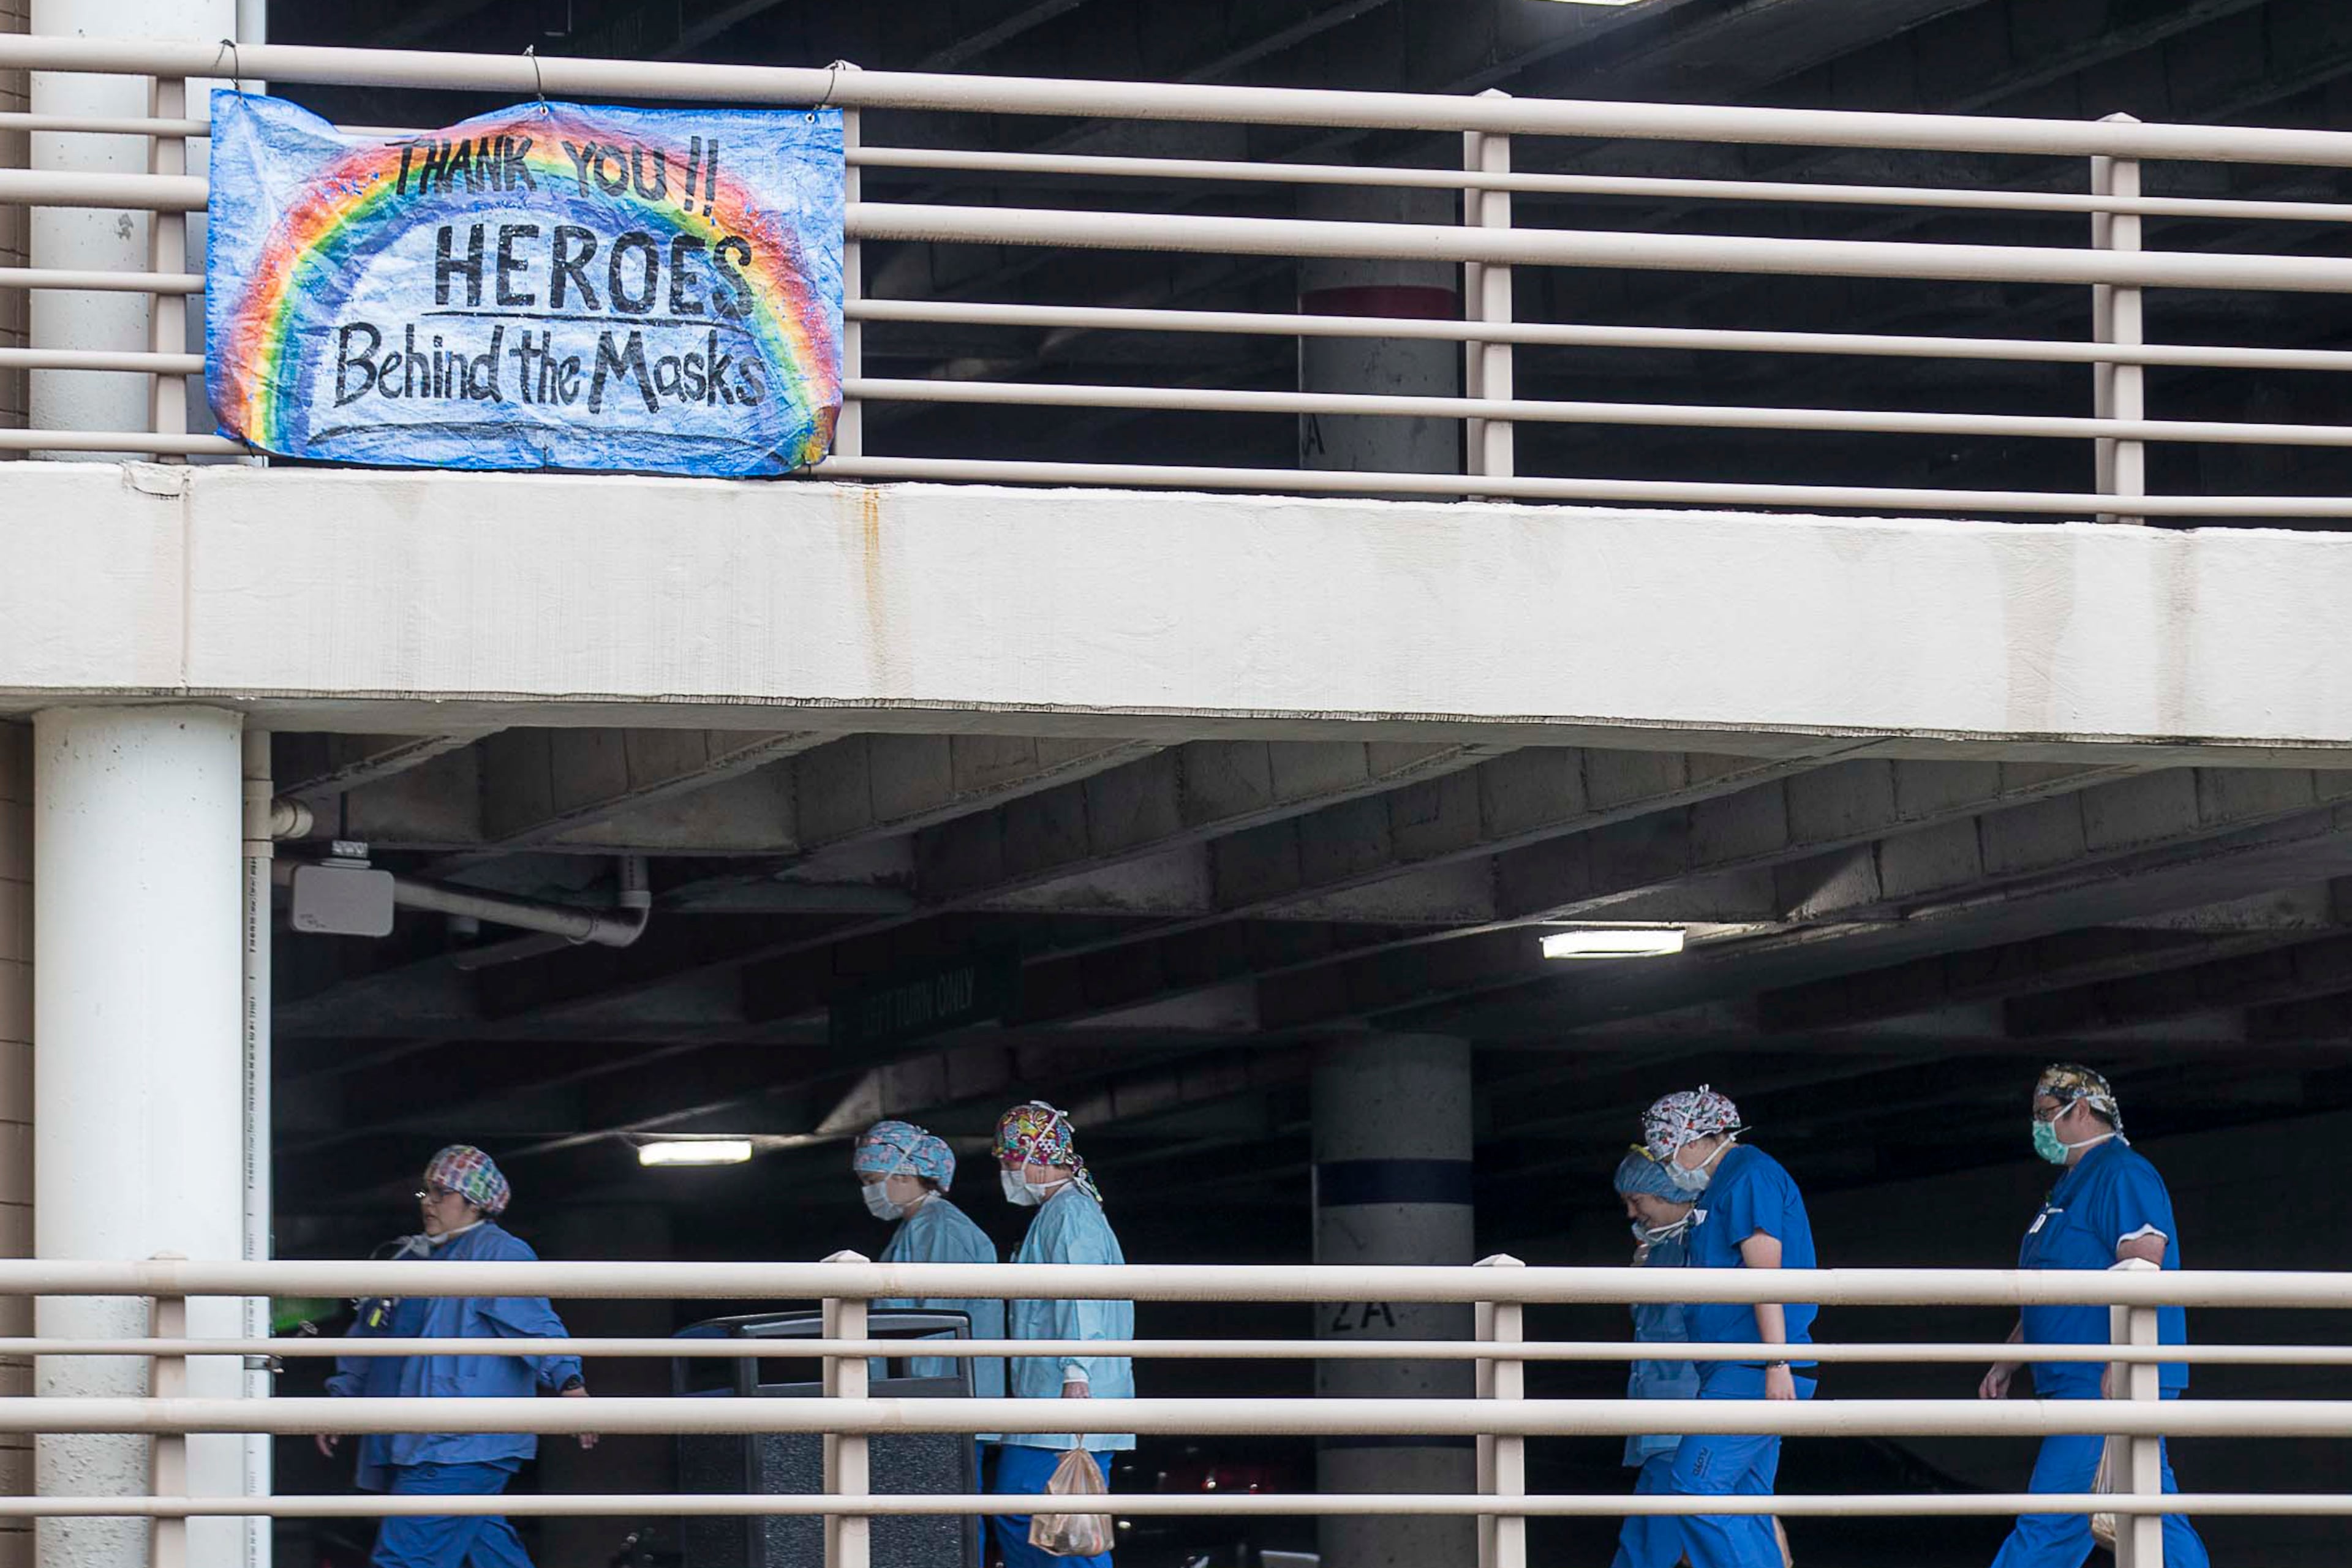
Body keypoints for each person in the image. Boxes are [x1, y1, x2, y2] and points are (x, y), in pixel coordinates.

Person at [317, 1145, 594, 1568]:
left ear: (476, 1202)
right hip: (421, 1441)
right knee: (490, 1553)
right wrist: (342, 1399)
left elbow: (536, 1323)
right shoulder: (408, 1257)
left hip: (460, 1441)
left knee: (403, 1558)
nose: (428, 1202)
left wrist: (570, 1384)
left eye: (441, 1193)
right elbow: (368, 1337)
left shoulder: (499, 1253)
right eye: (425, 1192)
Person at [1978, 1065, 2209, 1568]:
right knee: (2153, 1515)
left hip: (2103, 1380)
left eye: (2046, 1115)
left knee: (2052, 1521)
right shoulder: (2070, 1185)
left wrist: (2122, 1359)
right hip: (2080, 1378)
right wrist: (2008, 1359)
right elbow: (2056, 1285)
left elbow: (2143, 1260)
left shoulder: (2122, 1173)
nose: (2040, 1128)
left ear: (2080, 1110)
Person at [1627, 1087, 1816, 1568]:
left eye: (1667, 1149)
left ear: (1694, 1140)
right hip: (1733, 1366)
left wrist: (1777, 1362)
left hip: (1751, 1366)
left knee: (1694, 1487)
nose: (1668, 1162)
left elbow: (1765, 1275)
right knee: (1746, 1505)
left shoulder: (1749, 1175)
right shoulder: (1720, 1185)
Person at [990, 1099, 1134, 1568]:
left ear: (1040, 1157)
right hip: (1048, 1396)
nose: (1008, 1170)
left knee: (1055, 1518)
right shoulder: (1061, 1211)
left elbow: (1081, 1295)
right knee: (1055, 1519)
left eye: (1012, 1159)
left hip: (1068, 1394)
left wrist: (1077, 1374)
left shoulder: (1071, 1214)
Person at [855, 1117, 1006, 1396]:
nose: (868, 1191)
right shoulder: (916, 1227)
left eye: (872, 1181)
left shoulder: (944, 1228)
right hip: (921, 1386)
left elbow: (940, 1318)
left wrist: (923, 1390)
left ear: (903, 1174)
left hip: (948, 1394)